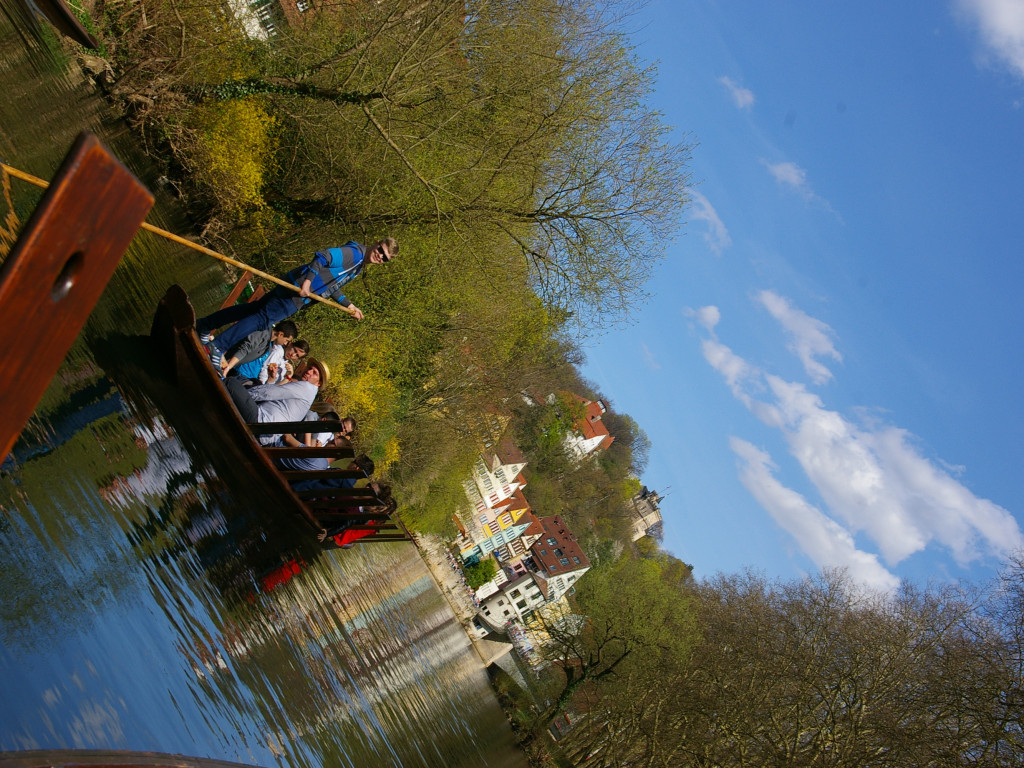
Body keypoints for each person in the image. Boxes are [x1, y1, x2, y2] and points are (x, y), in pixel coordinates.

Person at [197, 238, 398, 356]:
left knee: (253, 310)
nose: (380, 256)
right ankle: (216, 347)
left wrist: (350, 305)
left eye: (385, 258)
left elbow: (332, 287)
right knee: (261, 320)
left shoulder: (358, 268)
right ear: (376, 243)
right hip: (296, 291)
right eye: (381, 250)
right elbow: (323, 256)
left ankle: (204, 325)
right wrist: (308, 282)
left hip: (298, 290)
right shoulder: (354, 255)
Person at [224, 358, 329, 444]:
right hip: (265, 433)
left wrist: (245, 393)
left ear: (318, 383)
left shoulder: (306, 387)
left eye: (314, 373)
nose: (309, 372)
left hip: (260, 422)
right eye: (310, 368)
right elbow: (273, 393)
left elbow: (268, 393)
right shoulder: (309, 395)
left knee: (231, 382)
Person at [214, 320, 297, 378]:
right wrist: (228, 367)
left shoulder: (269, 344)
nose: (286, 343)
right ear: (280, 334)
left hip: (227, 365)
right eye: (287, 340)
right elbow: (244, 349)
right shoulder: (263, 334)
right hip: (222, 361)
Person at [236, 339, 309, 385]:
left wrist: (289, 375)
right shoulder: (278, 351)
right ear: (290, 344)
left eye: (297, 356)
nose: (293, 355)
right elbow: (265, 368)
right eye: (295, 350)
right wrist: (262, 387)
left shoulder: (285, 363)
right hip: (250, 378)